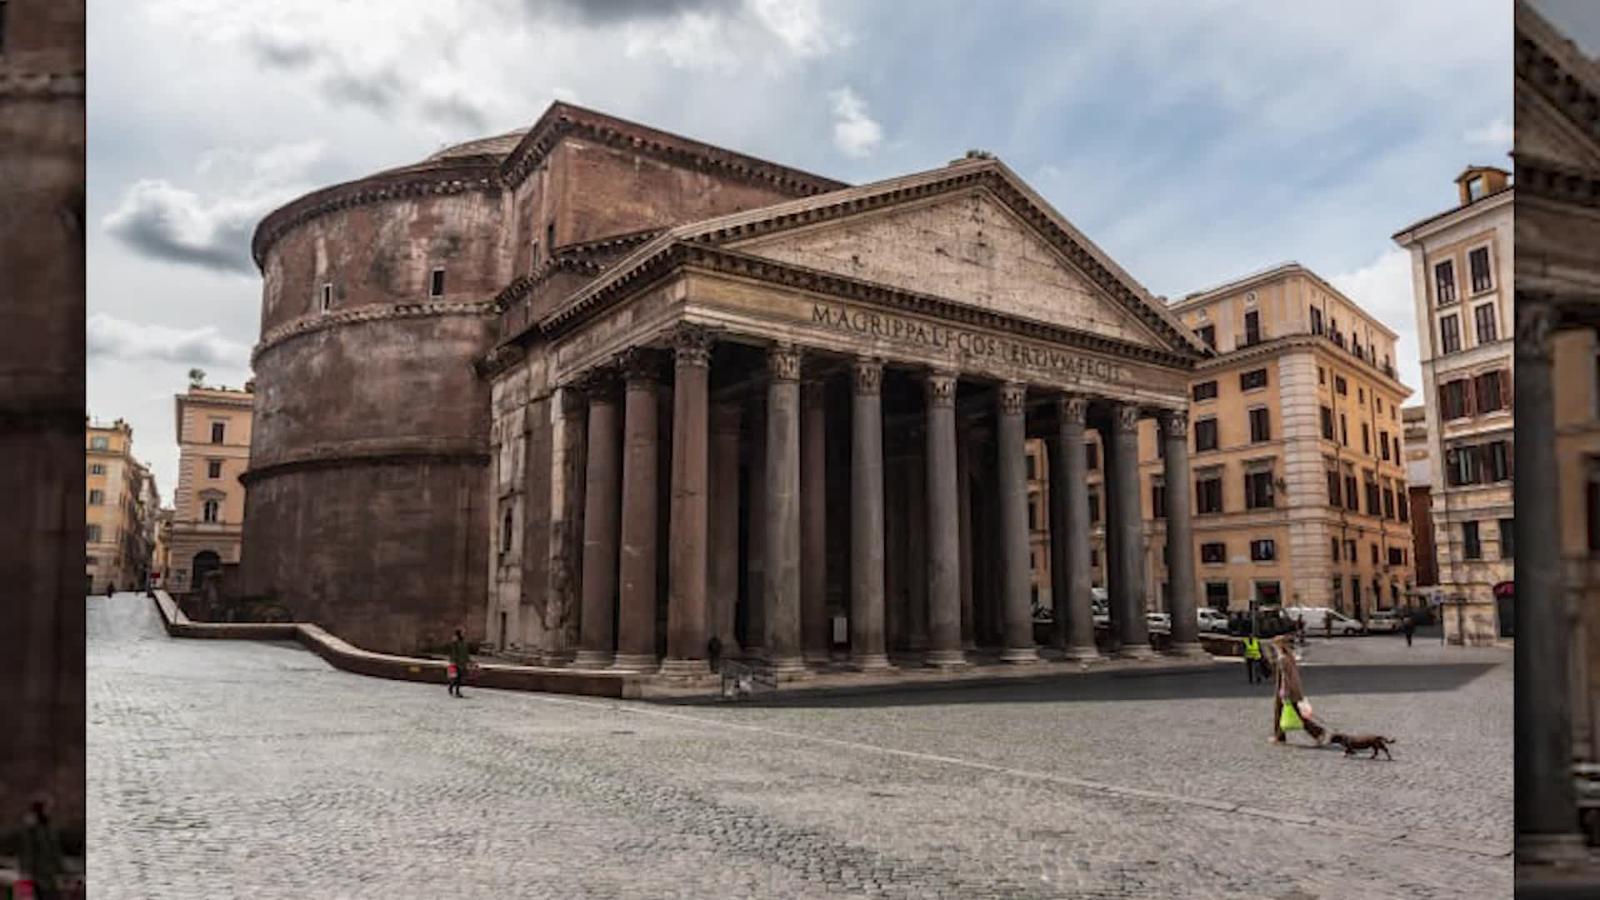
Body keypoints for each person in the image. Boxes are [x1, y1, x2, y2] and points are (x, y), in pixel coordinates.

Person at [1269, 636, 1326, 745]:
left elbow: (1285, 677)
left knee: (1295, 715)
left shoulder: (1282, 659)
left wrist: (1284, 692)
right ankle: (1279, 736)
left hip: (1286, 690)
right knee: (1280, 713)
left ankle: (1318, 732)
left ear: (1279, 645)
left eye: (1275, 645)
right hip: (1293, 688)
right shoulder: (1289, 656)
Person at [20, 798, 65, 900]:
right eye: (47, 808)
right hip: (39, 875)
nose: (49, 811)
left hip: (50, 874)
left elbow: (55, 851)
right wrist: (27, 871)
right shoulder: (32, 829)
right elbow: (28, 851)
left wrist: (61, 869)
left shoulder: (48, 827)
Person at [447, 629, 470, 698]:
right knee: (455, 678)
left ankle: (457, 691)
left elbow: (465, 653)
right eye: (463, 633)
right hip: (456, 662)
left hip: (462, 663)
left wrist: (468, 660)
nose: (464, 634)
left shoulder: (464, 642)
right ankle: (451, 688)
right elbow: (453, 652)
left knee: (460, 678)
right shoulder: (455, 642)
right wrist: (454, 661)